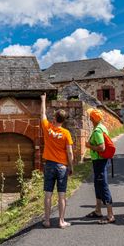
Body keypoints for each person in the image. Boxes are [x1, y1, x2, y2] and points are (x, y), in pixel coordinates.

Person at [40, 93, 74, 228]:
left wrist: (43, 100)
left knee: (48, 194)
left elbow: (42, 114)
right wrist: (71, 166)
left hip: (49, 165)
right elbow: (70, 152)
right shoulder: (66, 133)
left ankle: (47, 221)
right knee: (62, 195)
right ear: (64, 120)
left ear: (54, 118)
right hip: (62, 167)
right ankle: (61, 221)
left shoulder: (48, 128)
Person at [85, 108, 115, 224]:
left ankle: (110, 215)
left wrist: (89, 146)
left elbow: (101, 147)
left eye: (90, 116)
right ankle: (98, 210)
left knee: (103, 185)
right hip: (100, 160)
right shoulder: (102, 127)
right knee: (98, 184)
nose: (89, 118)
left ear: (92, 118)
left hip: (99, 161)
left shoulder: (97, 131)